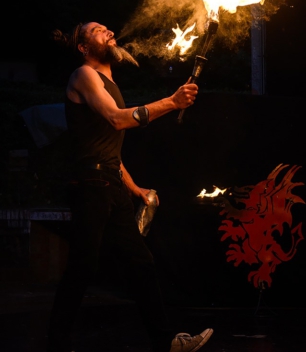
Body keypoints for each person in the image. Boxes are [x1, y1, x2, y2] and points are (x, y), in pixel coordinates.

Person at [47, 22, 213, 352]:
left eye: (106, 28)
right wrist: (172, 102)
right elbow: (117, 120)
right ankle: (56, 343)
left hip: (108, 183)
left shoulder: (109, 81)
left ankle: (166, 341)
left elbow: (111, 151)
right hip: (90, 185)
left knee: (141, 263)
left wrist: (136, 190)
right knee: (83, 266)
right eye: (97, 30)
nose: (107, 31)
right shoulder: (84, 75)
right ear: (84, 47)